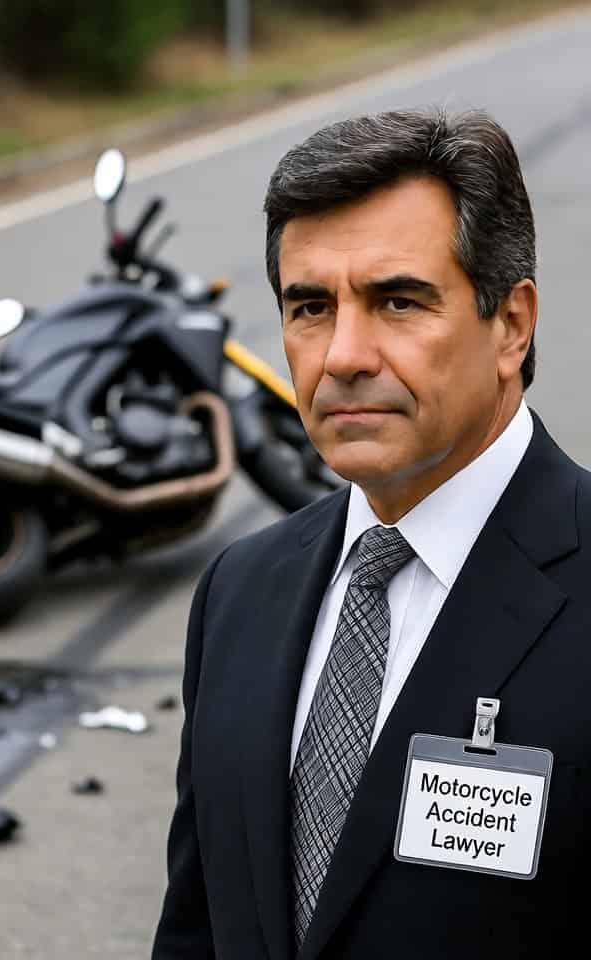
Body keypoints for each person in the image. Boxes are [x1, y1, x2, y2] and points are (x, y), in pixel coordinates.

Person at [152, 107, 591, 959]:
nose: (344, 356)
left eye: (397, 301)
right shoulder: (240, 590)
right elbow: (196, 928)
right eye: (311, 307)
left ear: (512, 324)